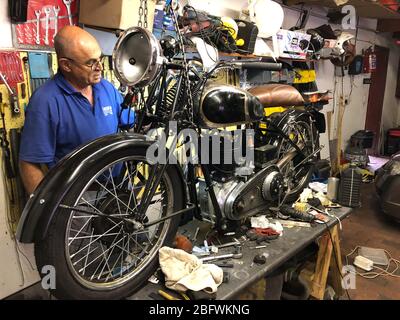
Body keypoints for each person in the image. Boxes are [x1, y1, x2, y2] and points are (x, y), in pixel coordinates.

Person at [19, 26, 133, 194]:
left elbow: (129, 123)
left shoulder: (106, 88)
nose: (99, 67)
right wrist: (47, 213)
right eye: (90, 63)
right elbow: (29, 164)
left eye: (100, 59)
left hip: (117, 189)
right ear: (66, 65)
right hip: (76, 197)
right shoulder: (45, 101)